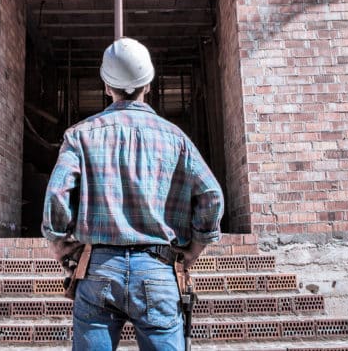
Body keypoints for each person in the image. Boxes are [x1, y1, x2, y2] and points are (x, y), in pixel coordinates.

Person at [42, 37, 224, 351]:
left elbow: (57, 194)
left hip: (98, 267)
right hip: (157, 269)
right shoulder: (176, 138)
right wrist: (195, 247)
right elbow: (211, 195)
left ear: (106, 85)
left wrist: (58, 243)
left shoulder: (80, 135)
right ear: (149, 84)